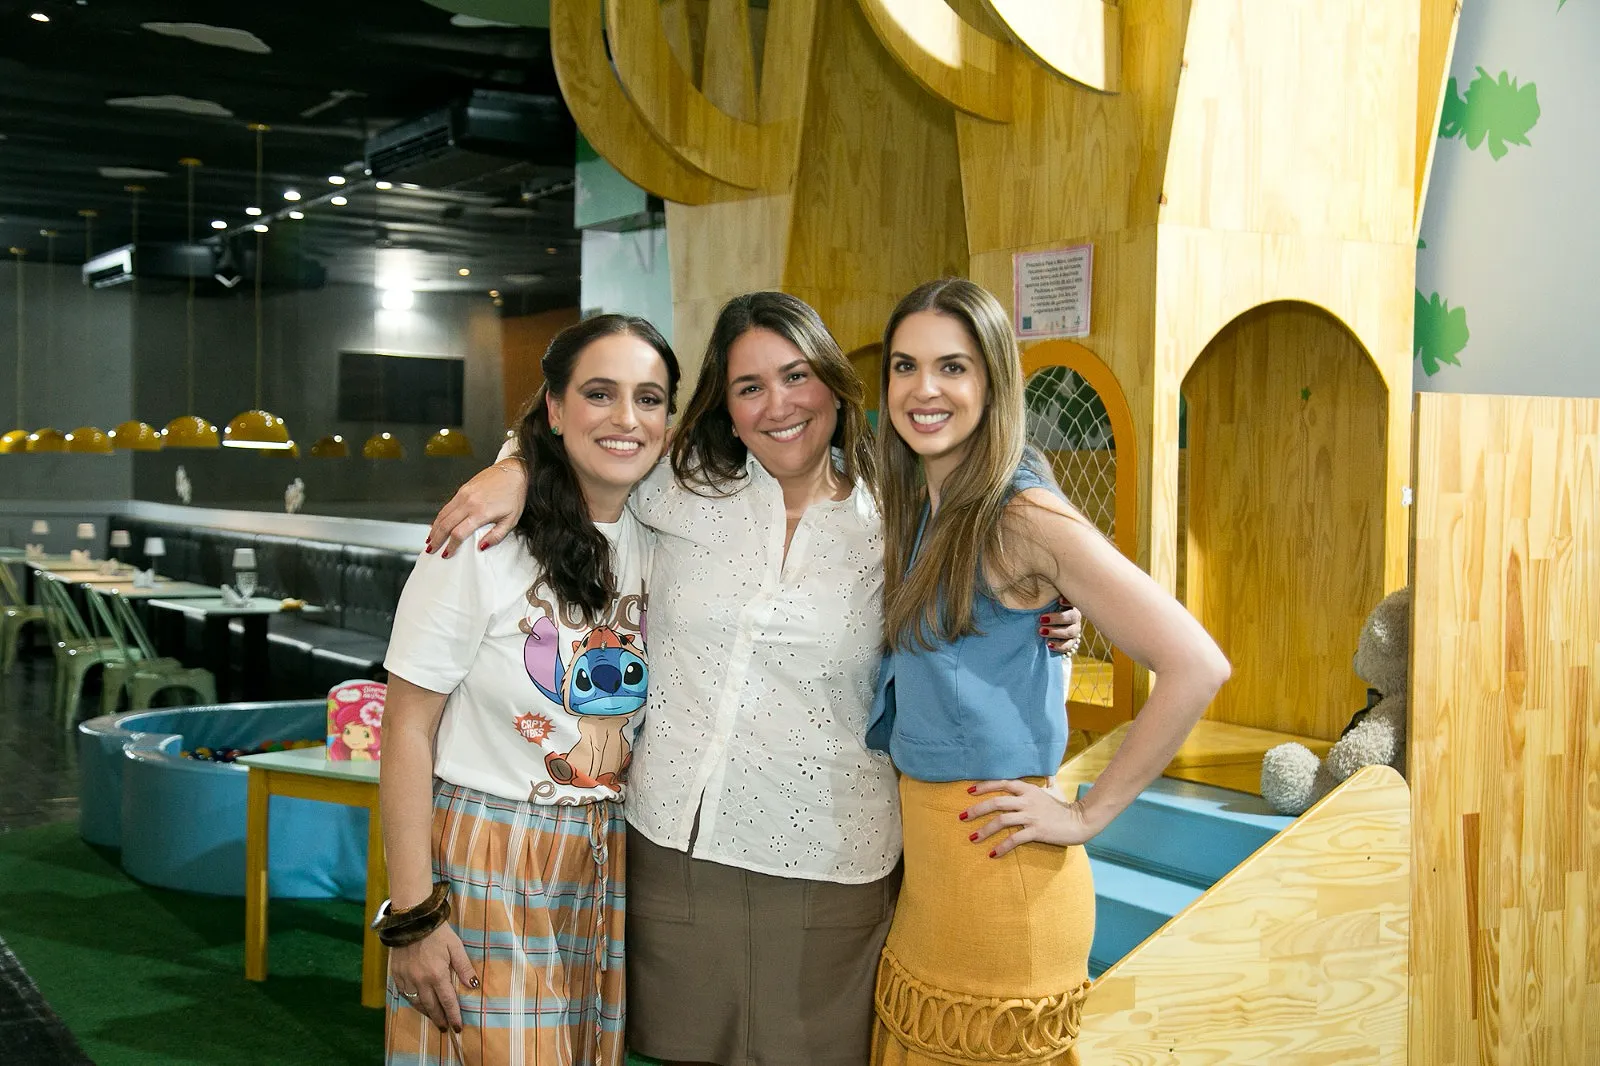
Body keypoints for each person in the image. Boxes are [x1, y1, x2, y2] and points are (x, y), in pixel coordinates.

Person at [426, 291, 1085, 1066]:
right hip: (677, 852)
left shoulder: (902, 511)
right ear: (727, 410)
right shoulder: (681, 487)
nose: (779, 405)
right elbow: (597, 437)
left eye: (797, 376)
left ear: (834, 383)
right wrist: (513, 467)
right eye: (750, 387)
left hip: (835, 860)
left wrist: (1057, 619)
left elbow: (997, 599)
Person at [865, 278, 1232, 1066]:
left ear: (993, 380)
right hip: (934, 879)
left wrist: (1089, 813)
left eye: (952, 367)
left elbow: (1195, 664)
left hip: (1002, 877)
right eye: (905, 366)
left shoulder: (1019, 513)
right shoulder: (930, 502)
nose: (924, 389)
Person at [378, 313, 680, 1065]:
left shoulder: (658, 535)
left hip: (601, 851)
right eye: (599, 393)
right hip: (489, 850)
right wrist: (414, 916)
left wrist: (513, 462)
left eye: (648, 399)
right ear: (554, 408)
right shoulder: (479, 541)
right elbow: (406, 727)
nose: (626, 418)